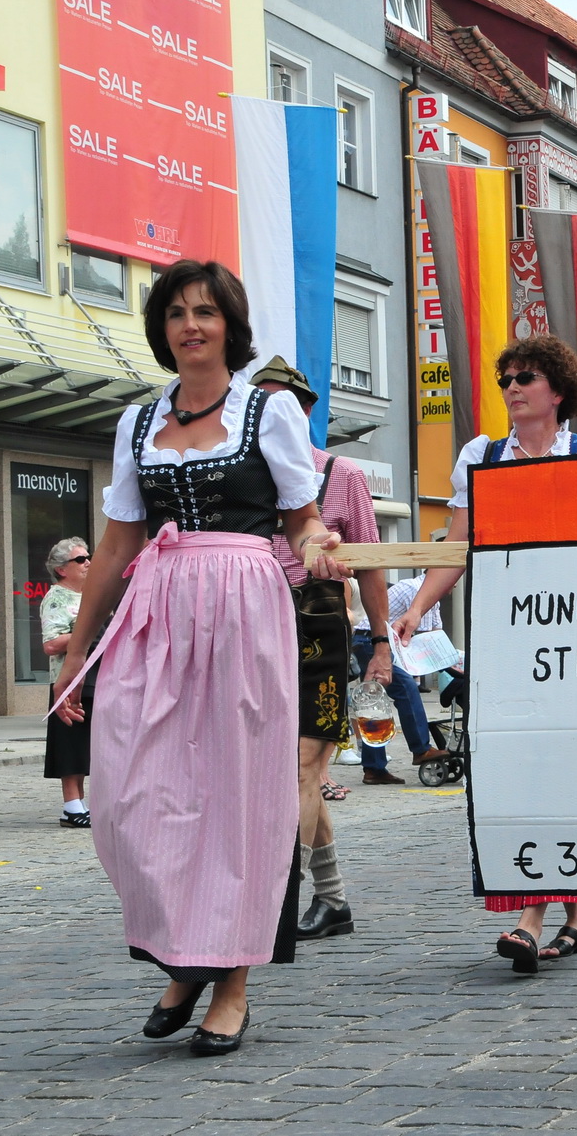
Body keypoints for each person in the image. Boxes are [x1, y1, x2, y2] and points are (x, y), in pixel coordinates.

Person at [52, 259, 351, 1056]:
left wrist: (320, 545)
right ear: (162, 328)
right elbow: (118, 541)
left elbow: (301, 519)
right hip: (160, 610)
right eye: (178, 312)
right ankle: (182, 952)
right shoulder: (138, 421)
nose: (191, 324)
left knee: (241, 798)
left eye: (206, 312)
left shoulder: (269, 411)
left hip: (245, 607)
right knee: (133, 792)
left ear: (230, 325)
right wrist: (78, 651)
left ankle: (231, 981)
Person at [395, 333, 577, 972]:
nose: (513, 387)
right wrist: (418, 606)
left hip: (573, 634)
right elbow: (459, 549)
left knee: (560, 769)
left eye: (526, 377)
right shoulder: (481, 455)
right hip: (506, 630)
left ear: (558, 389)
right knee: (516, 770)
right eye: (507, 379)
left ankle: (531, 915)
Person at [250, 357, 393, 943]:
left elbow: (372, 569)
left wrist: (380, 643)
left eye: (280, 401)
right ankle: (332, 900)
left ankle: (277, 904)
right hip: (254, 621)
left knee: (304, 768)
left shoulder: (341, 474)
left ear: (305, 412)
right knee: (287, 774)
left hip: (319, 623)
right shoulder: (241, 479)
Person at [354, 573, 447, 767]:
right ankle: (421, 749)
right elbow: (427, 637)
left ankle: (374, 768)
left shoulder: (432, 598)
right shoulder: (416, 590)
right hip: (370, 640)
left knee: (375, 701)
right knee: (405, 688)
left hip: (380, 641)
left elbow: (437, 635)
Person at [39, 538, 93, 827]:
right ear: (62, 569)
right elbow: (51, 643)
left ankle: (81, 803)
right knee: (71, 740)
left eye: (88, 557)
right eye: (80, 559)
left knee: (86, 742)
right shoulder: (57, 597)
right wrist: (90, 634)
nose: (88, 563)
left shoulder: (91, 595)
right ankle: (71, 805)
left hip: (96, 676)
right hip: (68, 679)